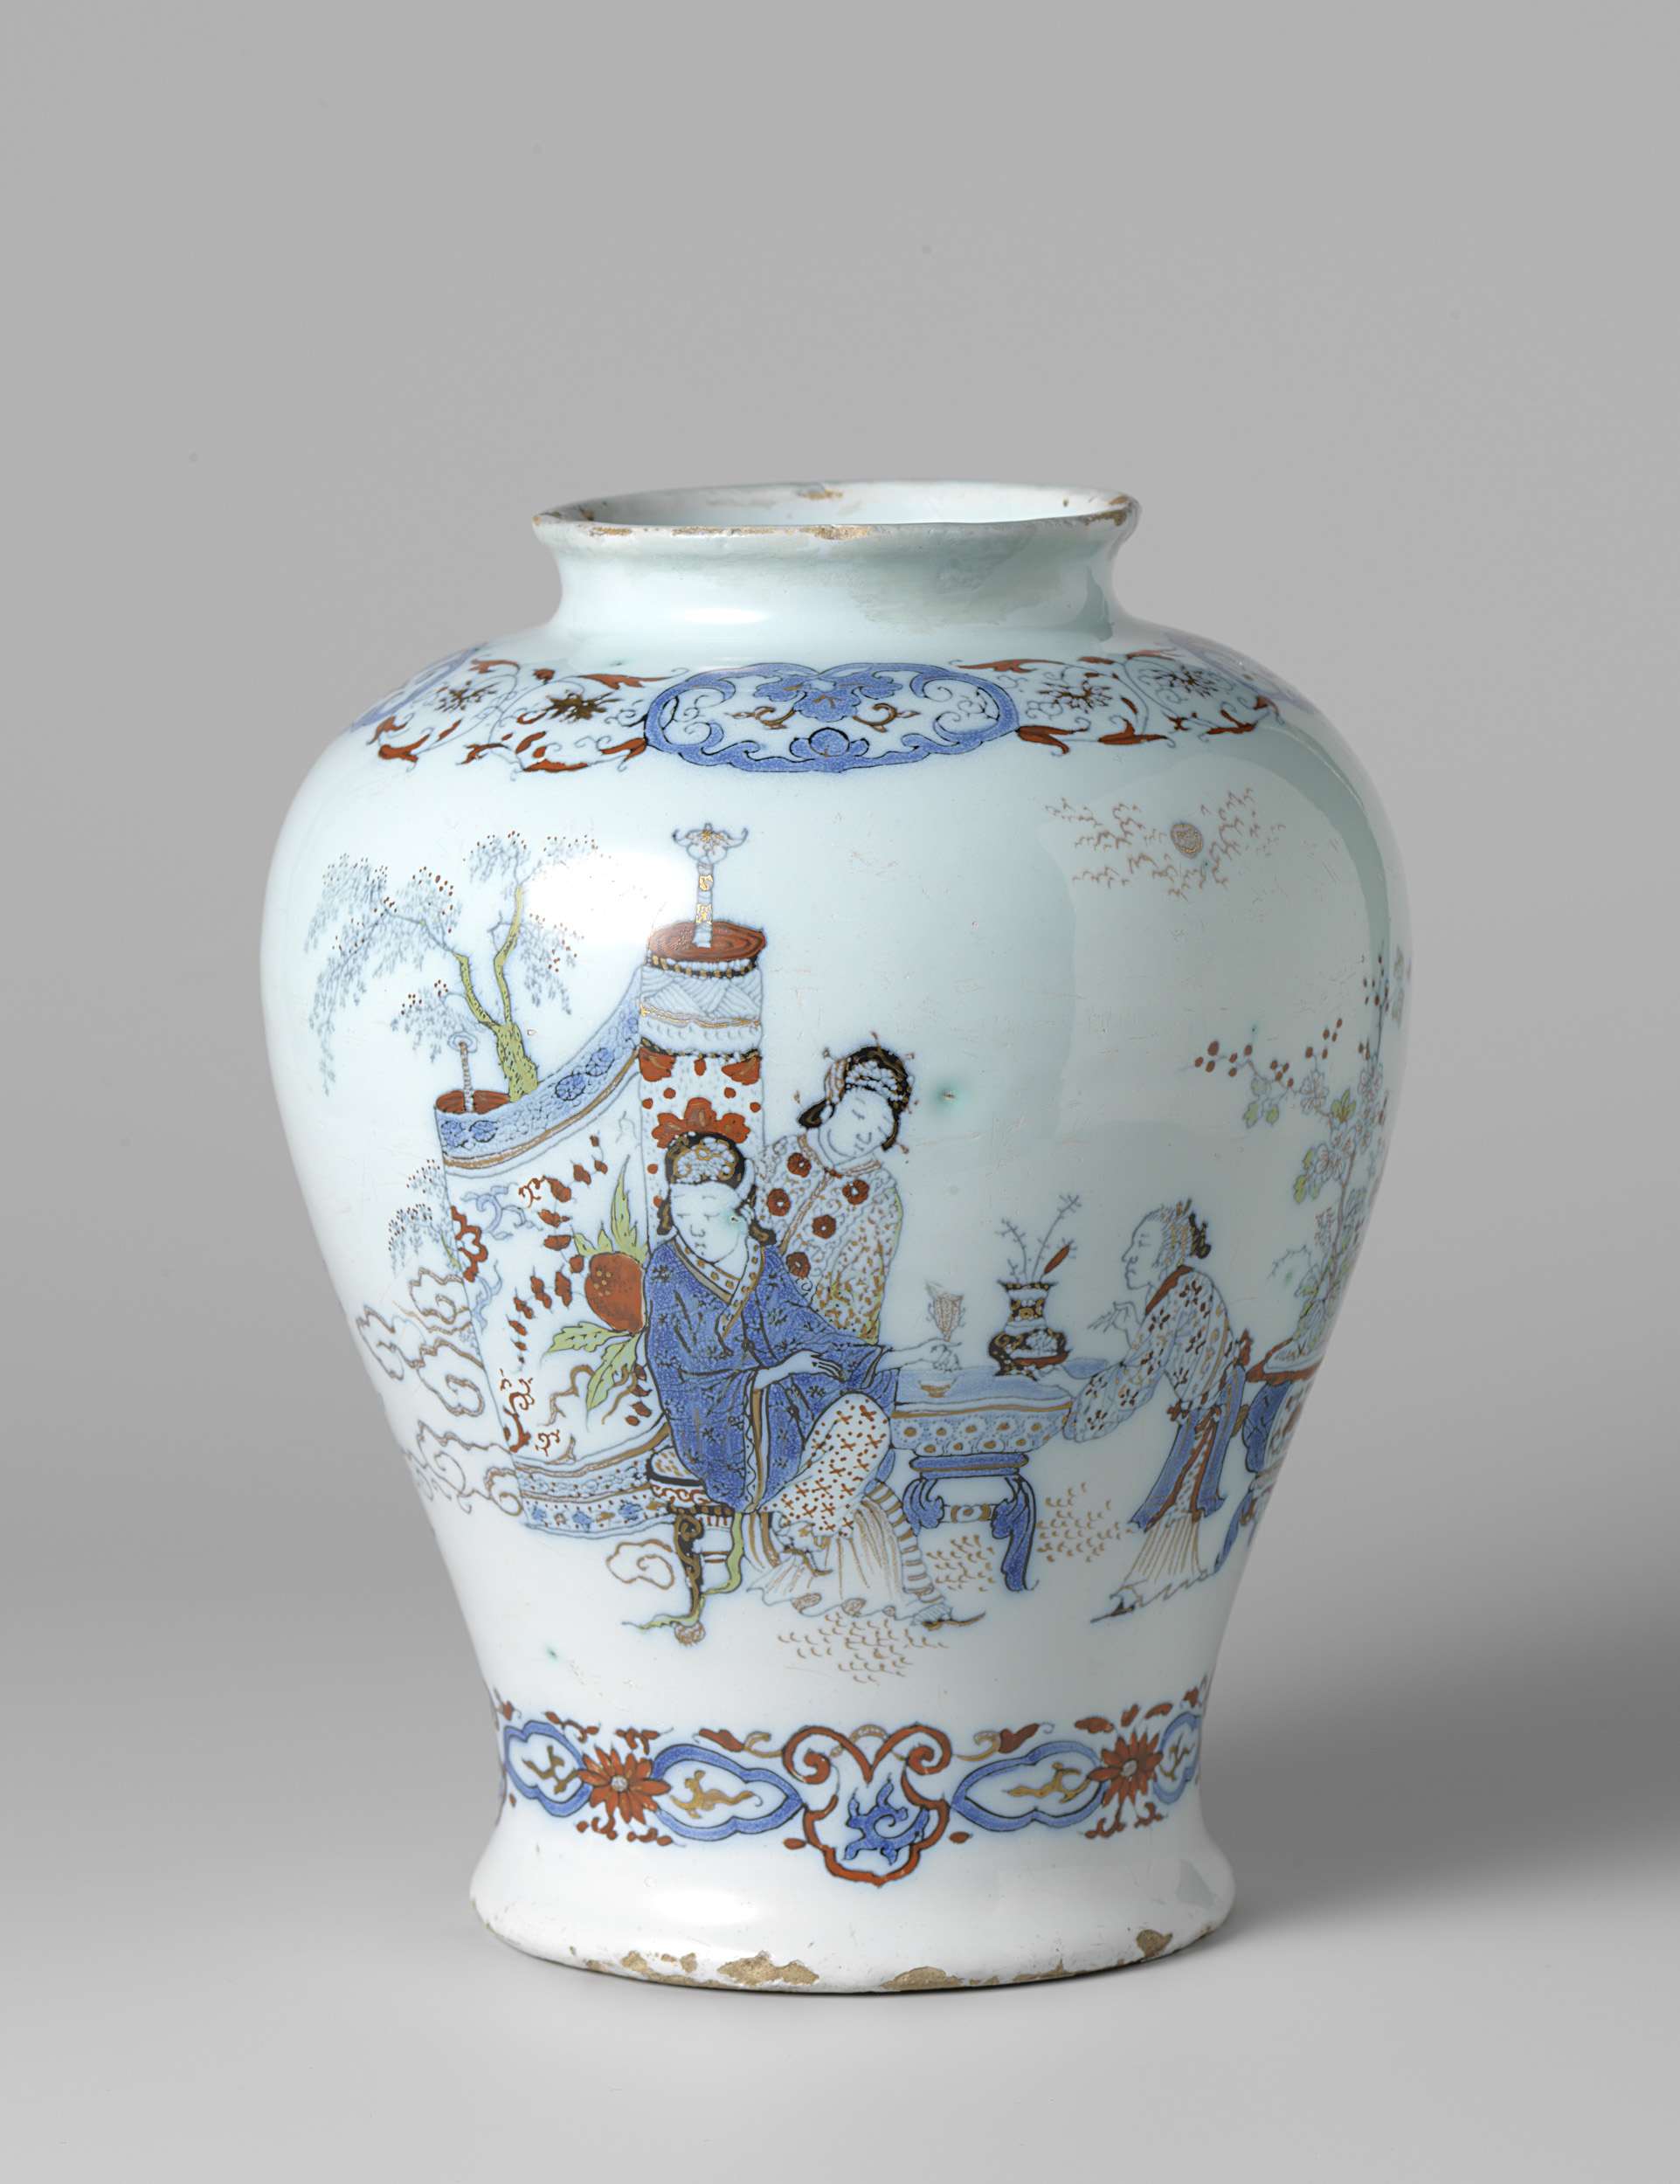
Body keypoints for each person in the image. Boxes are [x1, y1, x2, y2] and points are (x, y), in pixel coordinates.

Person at [643, 1130, 956, 1621]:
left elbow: (805, 1331)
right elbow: (680, 1366)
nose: (695, 1229)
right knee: (823, 1430)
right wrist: (774, 1374)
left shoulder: (760, 1259)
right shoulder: (667, 1268)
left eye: (709, 1213)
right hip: (717, 1420)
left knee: (863, 1417)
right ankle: (803, 1543)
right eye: (683, 1215)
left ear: (740, 1206)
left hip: (786, 1399)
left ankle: (806, 1534)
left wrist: (905, 1355)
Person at [1064, 1201, 1245, 1615]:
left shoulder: (1177, 1296)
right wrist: (1133, 1325)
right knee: (1178, 1499)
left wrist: (1080, 1416)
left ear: (1167, 1254)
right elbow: (1168, 1349)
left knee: (1179, 1500)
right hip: (1207, 1405)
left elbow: (1138, 1378)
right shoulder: (1184, 1287)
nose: (1129, 1256)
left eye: (1141, 1245)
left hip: (1209, 1412)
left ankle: (1147, 1589)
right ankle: (1158, 1587)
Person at [761, 1045, 912, 1338]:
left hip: (811, 1337)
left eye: (880, 1128)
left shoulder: (880, 1198)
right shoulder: (782, 1153)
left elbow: (861, 1297)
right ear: (834, 1099)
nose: (865, 1136)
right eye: (858, 1115)